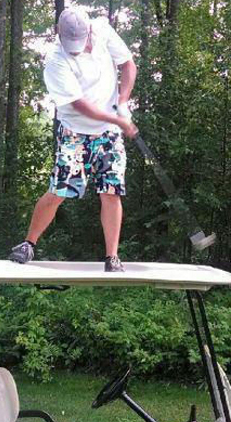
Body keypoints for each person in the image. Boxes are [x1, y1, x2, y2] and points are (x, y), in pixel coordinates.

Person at [8, 6, 138, 273]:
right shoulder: (55, 60)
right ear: (59, 33)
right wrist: (118, 120)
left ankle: (112, 257)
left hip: (108, 133)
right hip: (74, 133)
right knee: (59, 191)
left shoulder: (103, 30)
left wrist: (123, 102)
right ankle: (28, 243)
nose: (76, 49)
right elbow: (79, 105)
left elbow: (127, 64)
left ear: (89, 30)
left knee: (111, 191)